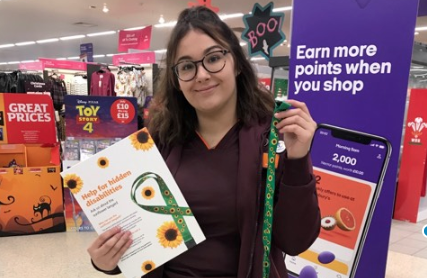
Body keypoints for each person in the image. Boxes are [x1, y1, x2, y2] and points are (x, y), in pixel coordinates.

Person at [88, 6, 320, 278]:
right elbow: (136, 235)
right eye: (187, 66)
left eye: (213, 58)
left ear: (235, 63)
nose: (201, 75)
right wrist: (107, 260)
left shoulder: (272, 140)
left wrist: (298, 159)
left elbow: (295, 241)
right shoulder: (156, 143)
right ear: (176, 80)